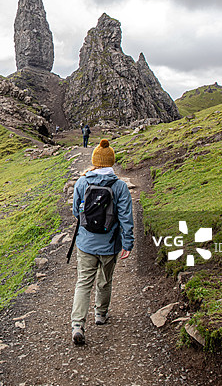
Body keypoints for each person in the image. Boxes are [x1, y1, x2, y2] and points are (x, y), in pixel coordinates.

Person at [70, 139, 134, 345]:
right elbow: (126, 218)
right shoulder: (120, 186)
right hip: (110, 244)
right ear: (112, 162)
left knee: (83, 282)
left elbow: (76, 213)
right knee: (105, 280)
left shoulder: (82, 183)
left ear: (94, 161)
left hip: (86, 244)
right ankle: (100, 314)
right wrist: (127, 243)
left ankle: (77, 325)